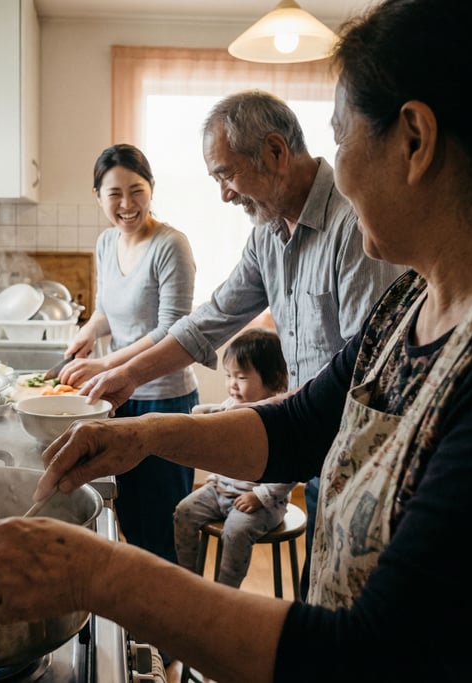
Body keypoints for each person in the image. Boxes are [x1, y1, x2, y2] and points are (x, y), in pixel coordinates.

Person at [0, 0, 472, 680]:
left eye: (342, 138)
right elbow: (300, 424)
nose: (339, 169)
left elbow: (382, 656)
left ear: (413, 138)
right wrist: (144, 436)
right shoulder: (414, 299)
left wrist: (97, 573)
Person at [64, 89, 406, 596]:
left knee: (346, 607)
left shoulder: (352, 225)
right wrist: (124, 376)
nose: (224, 194)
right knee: (319, 593)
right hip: (312, 447)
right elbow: (212, 317)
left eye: (226, 173)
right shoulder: (268, 230)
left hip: (360, 454)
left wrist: (209, 420)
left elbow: (363, 373)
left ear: (274, 152)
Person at [58, 143, 199, 563]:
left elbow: (171, 329)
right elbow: (107, 309)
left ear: (151, 188)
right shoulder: (107, 243)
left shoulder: (171, 245)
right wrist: (87, 333)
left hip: (165, 401)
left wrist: (104, 362)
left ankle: (168, 622)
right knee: (130, 515)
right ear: (98, 196)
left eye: (136, 190)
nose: (126, 204)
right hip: (118, 396)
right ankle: (140, 622)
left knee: (161, 527)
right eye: (114, 193)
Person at [174, 328, 296, 589]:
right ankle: (189, 579)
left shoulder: (279, 413)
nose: (232, 384)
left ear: (273, 378)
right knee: (184, 512)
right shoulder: (231, 404)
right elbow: (217, 426)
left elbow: (291, 466)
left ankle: (225, 591)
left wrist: (260, 496)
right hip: (221, 489)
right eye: (229, 376)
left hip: (262, 502)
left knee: (236, 531)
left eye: (241, 377)